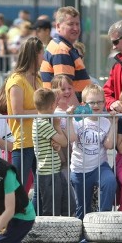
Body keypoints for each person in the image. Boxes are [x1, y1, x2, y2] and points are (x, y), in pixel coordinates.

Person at [69, 84, 117, 218]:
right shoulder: (77, 121)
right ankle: (82, 234)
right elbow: (72, 138)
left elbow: (108, 145)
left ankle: (103, 217)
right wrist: (68, 119)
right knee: (82, 206)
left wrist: (114, 122)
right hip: (80, 169)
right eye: (92, 102)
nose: (96, 105)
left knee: (109, 181)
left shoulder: (106, 122)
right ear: (84, 104)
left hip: (99, 166)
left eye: (100, 102)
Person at [6, 37, 43, 195]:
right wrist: (43, 111)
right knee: (18, 186)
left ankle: (33, 216)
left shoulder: (38, 77)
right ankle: (12, 218)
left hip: (40, 140)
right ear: (35, 54)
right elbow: (17, 112)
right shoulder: (16, 80)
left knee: (42, 186)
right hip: (23, 142)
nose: (44, 57)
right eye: (42, 53)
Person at [32, 88, 70, 216]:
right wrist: (58, 126)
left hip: (54, 170)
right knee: (51, 209)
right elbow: (64, 142)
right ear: (53, 105)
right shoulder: (42, 123)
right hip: (48, 173)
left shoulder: (41, 121)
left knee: (67, 204)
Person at [40, 6, 91, 93]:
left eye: (77, 24)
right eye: (70, 24)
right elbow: (64, 92)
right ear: (58, 26)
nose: (75, 28)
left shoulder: (60, 46)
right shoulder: (61, 50)